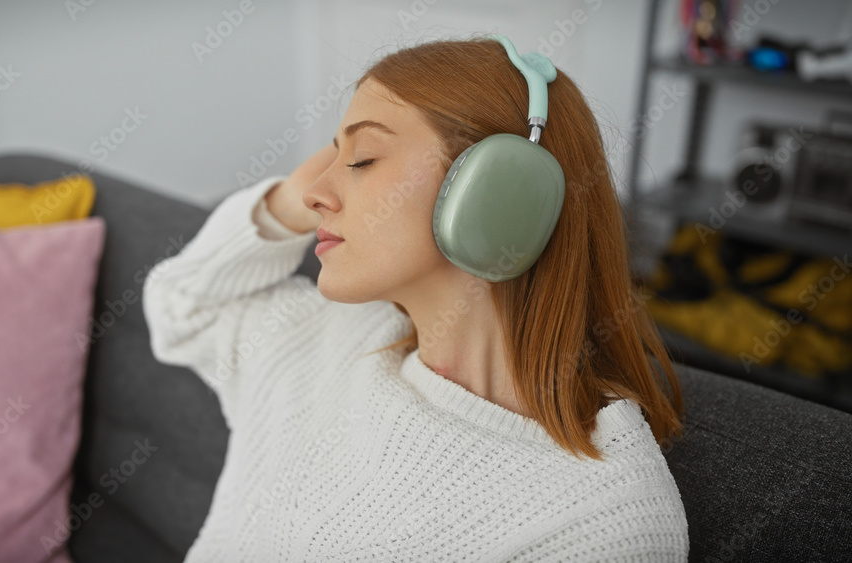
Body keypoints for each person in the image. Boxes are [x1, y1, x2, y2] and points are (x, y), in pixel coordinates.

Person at [142, 34, 689, 562]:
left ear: (496, 193)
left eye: (362, 158)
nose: (314, 194)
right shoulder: (327, 340)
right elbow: (183, 308)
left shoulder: (596, 522)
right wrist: (282, 203)